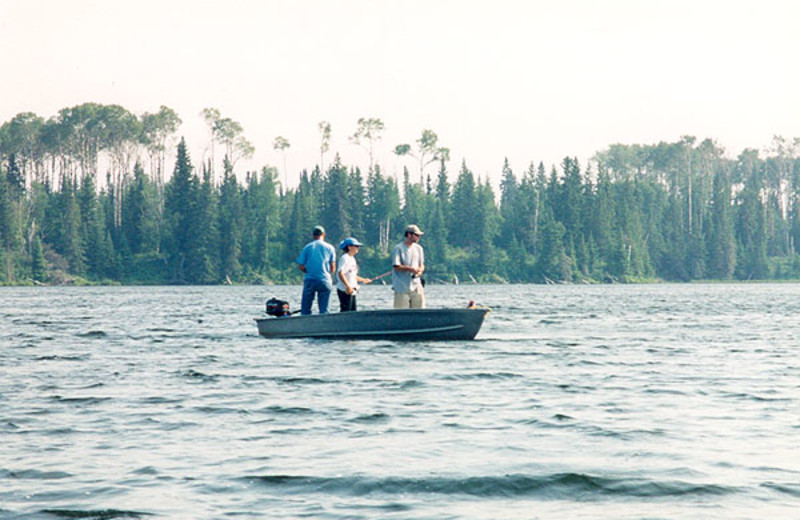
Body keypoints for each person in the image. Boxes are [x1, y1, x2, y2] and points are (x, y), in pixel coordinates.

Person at [296, 225, 336, 315]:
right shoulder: (330, 248)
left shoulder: (307, 247)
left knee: (305, 310)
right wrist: (327, 274)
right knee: (324, 310)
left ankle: (304, 323)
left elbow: (301, 266)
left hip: (310, 279)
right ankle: (324, 323)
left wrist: (309, 271)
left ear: (313, 235)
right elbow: (333, 267)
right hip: (325, 280)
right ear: (323, 235)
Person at [391, 224, 426, 309]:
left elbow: (422, 265)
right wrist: (410, 269)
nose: (418, 237)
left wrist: (420, 271)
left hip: (416, 286)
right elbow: (396, 266)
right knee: (401, 314)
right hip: (402, 287)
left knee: (420, 311)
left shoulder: (419, 248)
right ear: (409, 235)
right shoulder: (398, 248)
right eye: (417, 235)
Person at [336, 237, 372, 312]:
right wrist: (348, 286)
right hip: (344, 290)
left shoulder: (352, 258)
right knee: (346, 312)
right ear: (349, 247)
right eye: (356, 246)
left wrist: (364, 280)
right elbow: (340, 273)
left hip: (352, 290)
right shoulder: (344, 258)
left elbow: (352, 275)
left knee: (353, 312)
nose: (357, 248)